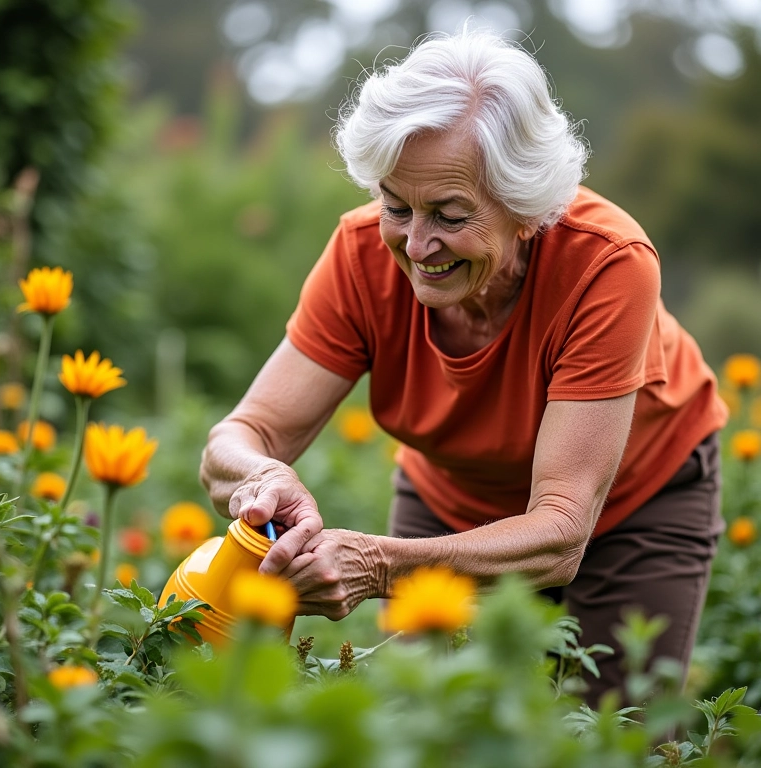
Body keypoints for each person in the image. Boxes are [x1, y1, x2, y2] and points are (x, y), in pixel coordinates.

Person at [199, 29, 727, 706]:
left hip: (633, 506)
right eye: (395, 206)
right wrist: (261, 473)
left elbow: (562, 530)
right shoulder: (362, 255)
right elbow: (239, 437)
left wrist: (377, 563)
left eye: (448, 215)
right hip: (451, 498)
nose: (416, 245)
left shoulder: (607, 263)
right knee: (424, 721)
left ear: (526, 211)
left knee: (619, 729)